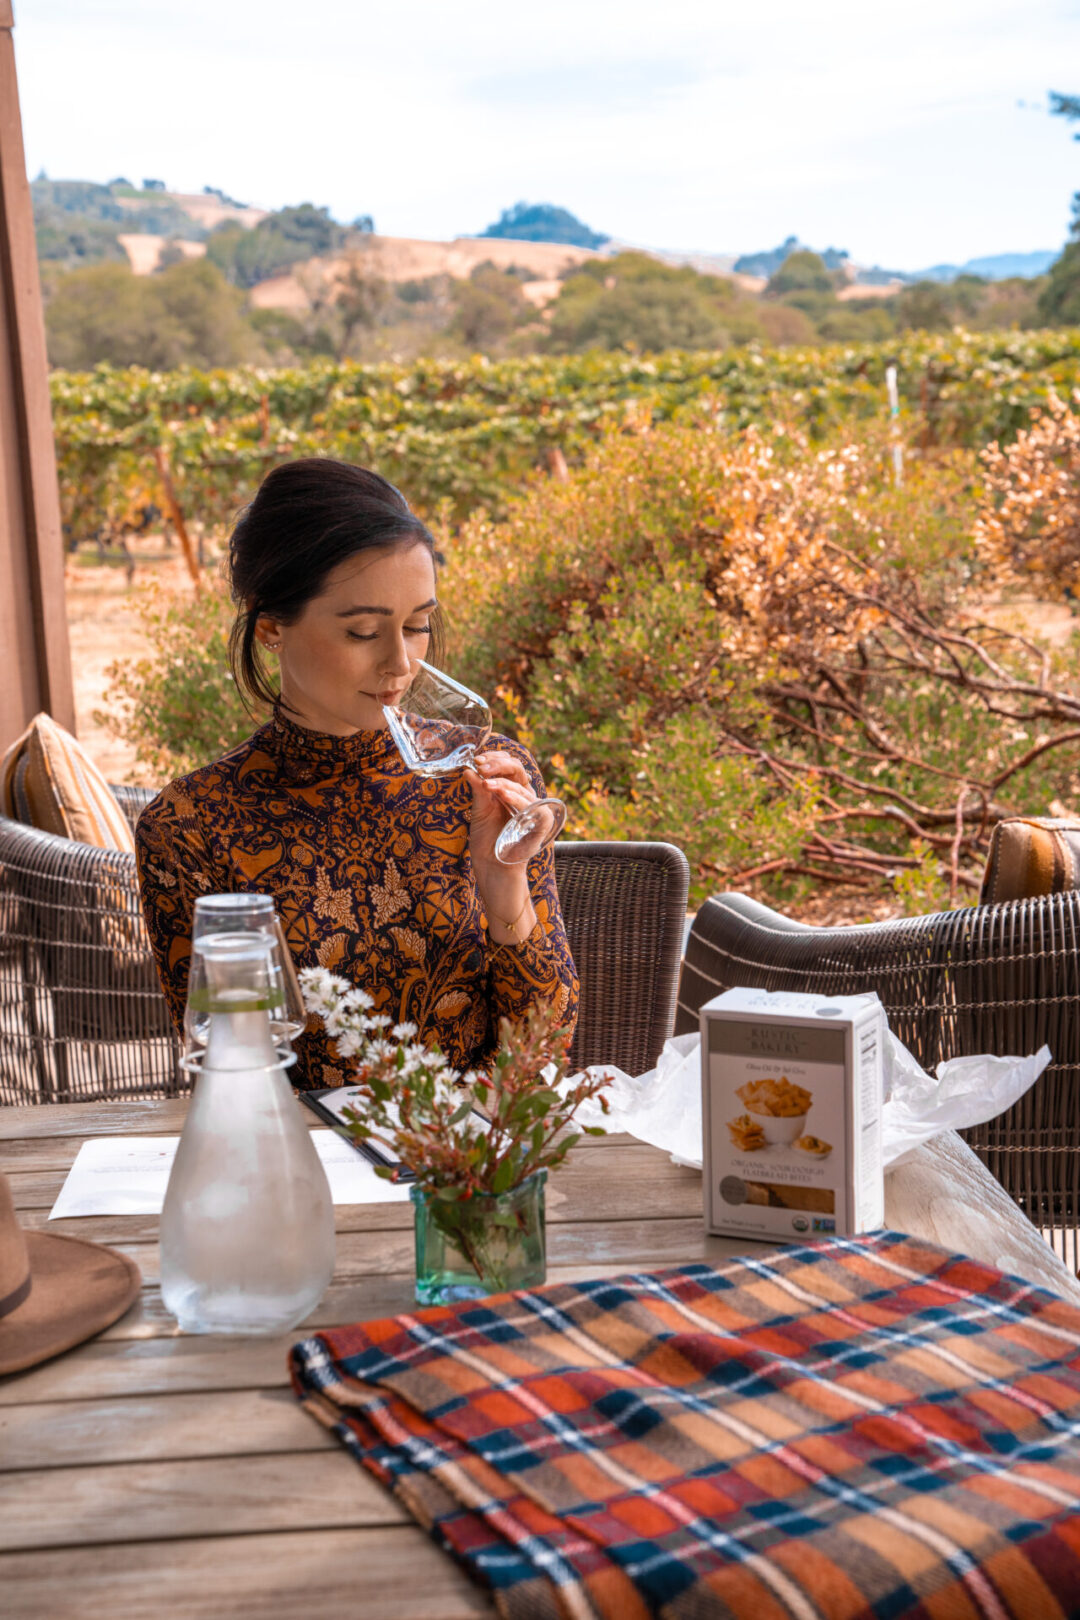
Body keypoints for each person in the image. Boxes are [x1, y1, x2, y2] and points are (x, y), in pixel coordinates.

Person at [135, 458, 579, 1088]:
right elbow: (231, 1074)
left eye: (418, 625)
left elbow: (547, 1054)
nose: (400, 662)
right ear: (271, 628)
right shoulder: (193, 826)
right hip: (309, 1169)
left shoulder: (481, 779)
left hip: (473, 1164)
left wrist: (503, 883)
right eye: (364, 631)